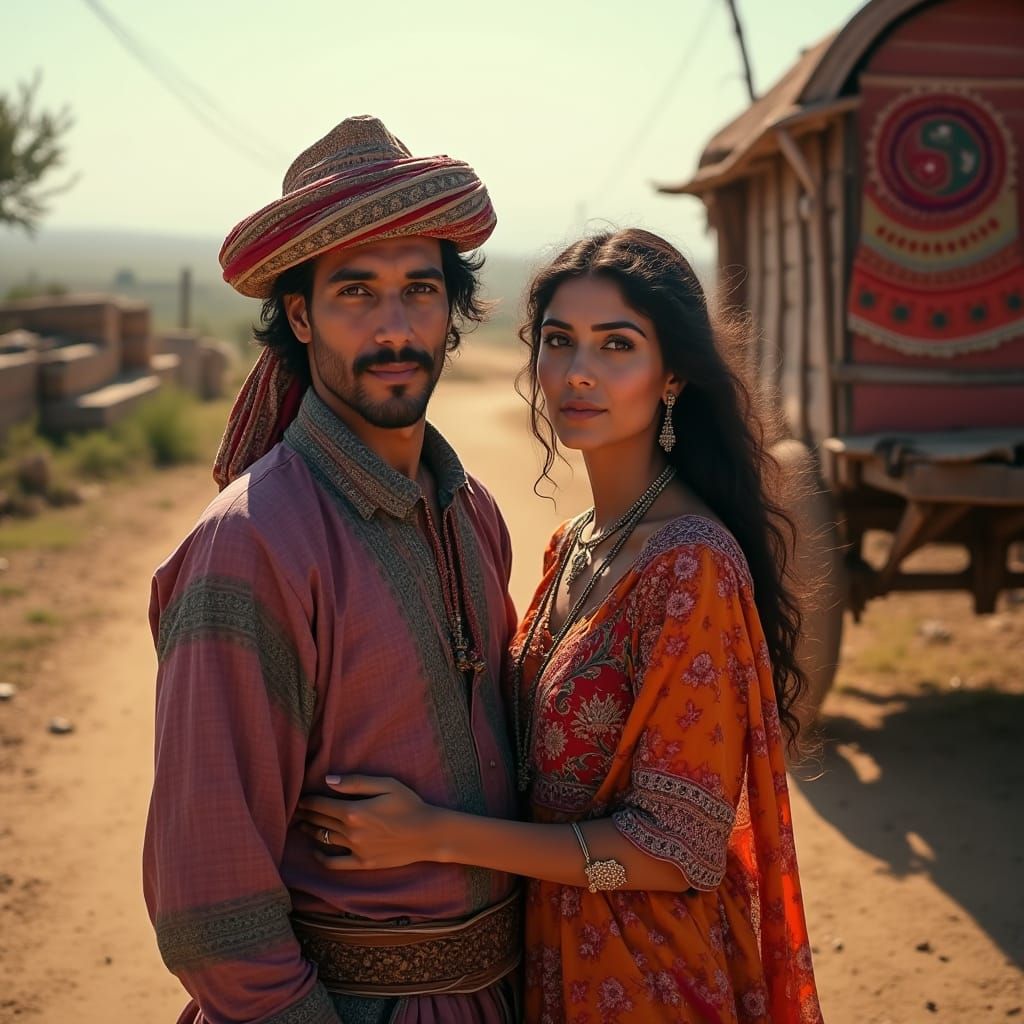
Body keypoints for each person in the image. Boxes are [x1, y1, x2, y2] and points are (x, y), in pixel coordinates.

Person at [297, 228, 825, 1023]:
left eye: (617, 345)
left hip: (648, 978)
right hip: (550, 965)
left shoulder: (692, 567)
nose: (579, 372)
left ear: (672, 372)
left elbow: (673, 849)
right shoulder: (573, 544)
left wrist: (434, 836)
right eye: (558, 341)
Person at [143, 115, 522, 1024]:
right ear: (301, 314)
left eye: (420, 290)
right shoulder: (253, 544)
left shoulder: (473, 514)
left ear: (452, 309)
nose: (396, 327)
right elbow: (211, 908)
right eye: (357, 291)